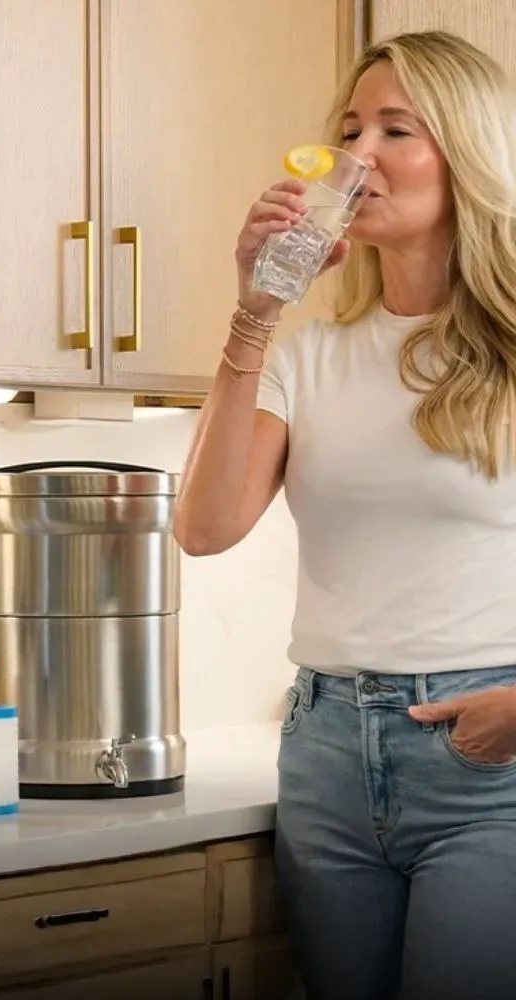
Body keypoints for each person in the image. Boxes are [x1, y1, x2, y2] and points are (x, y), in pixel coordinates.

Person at [173, 28, 516, 1000]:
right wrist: (254, 307)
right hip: (323, 748)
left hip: (485, 756)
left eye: (395, 130)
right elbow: (204, 527)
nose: (355, 155)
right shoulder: (308, 355)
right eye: (346, 129)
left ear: (467, 155)